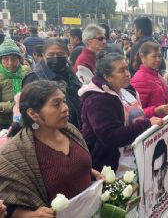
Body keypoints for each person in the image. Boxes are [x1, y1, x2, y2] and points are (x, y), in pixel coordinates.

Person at [0, 80, 102, 218]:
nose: (65, 108)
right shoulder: (15, 154)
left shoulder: (70, 131)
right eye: (56, 104)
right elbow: (9, 205)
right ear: (33, 114)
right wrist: (31, 215)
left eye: (64, 101)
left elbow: (72, 166)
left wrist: (91, 172)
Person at [79, 51, 163, 172]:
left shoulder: (126, 90)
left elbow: (138, 115)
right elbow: (110, 136)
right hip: (108, 166)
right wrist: (146, 124)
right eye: (121, 71)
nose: (128, 74)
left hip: (132, 158)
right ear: (107, 77)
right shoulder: (96, 100)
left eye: (127, 69)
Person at [23, 39, 82, 129]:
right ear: (43, 56)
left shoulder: (70, 72)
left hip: (75, 128)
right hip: (49, 130)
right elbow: (28, 110)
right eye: (51, 55)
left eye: (60, 54)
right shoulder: (34, 78)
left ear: (67, 55)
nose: (56, 58)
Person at [131, 42, 168, 118]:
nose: (158, 59)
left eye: (159, 56)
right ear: (142, 57)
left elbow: (162, 101)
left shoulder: (156, 74)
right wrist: (155, 111)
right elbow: (136, 114)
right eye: (154, 56)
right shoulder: (140, 79)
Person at [0, 38, 30, 129]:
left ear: (19, 59)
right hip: (5, 123)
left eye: (14, 58)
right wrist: (15, 104)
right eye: (6, 59)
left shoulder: (26, 71)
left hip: (25, 119)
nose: (10, 63)